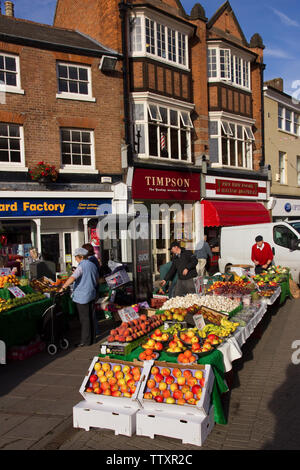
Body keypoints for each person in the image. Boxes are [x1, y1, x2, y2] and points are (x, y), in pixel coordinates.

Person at [59, 247, 99, 347]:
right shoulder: (92, 265)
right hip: (91, 294)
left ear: (80, 257)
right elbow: (96, 279)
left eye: (76, 257)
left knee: (84, 319)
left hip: (82, 296)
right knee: (90, 317)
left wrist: (63, 287)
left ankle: (85, 341)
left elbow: (73, 277)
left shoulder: (81, 266)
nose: (75, 259)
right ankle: (92, 339)